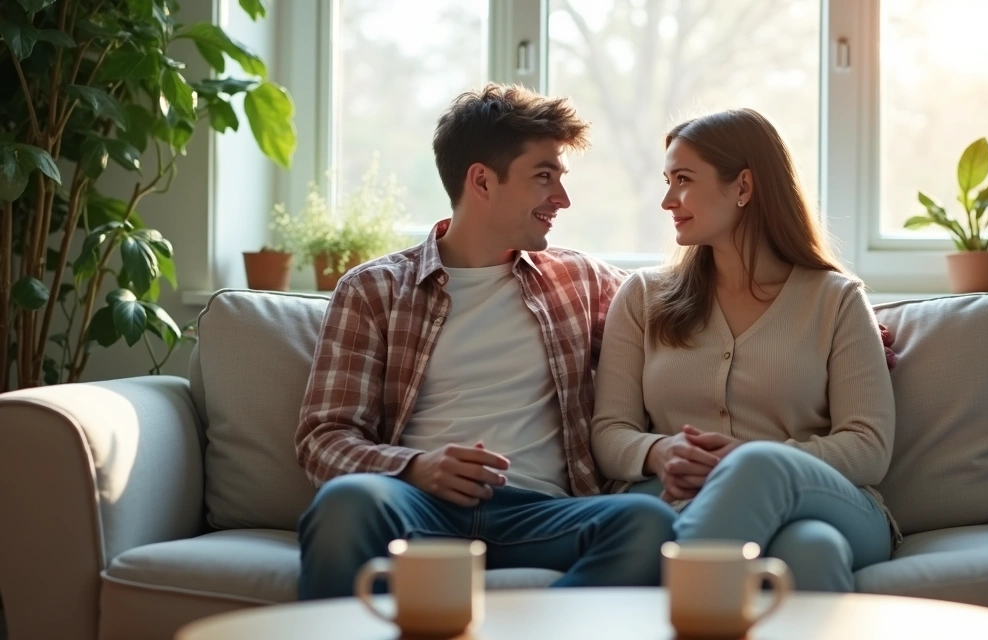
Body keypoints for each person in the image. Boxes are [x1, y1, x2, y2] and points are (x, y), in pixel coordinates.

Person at [295, 83, 676, 600]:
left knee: (645, 522)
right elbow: (323, 438)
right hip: (419, 508)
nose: (562, 199)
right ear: (481, 180)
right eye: (544, 177)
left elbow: (680, 312)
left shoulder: (580, 280)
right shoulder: (373, 289)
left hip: (542, 513)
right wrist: (416, 468)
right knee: (346, 504)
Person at [590, 108, 899, 593]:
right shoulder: (643, 297)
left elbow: (869, 447)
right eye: (667, 181)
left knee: (756, 466)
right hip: (681, 498)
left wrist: (752, 457)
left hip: (829, 500)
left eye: (684, 180)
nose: (668, 199)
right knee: (812, 552)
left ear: (743, 187)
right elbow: (609, 432)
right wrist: (660, 451)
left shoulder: (835, 299)